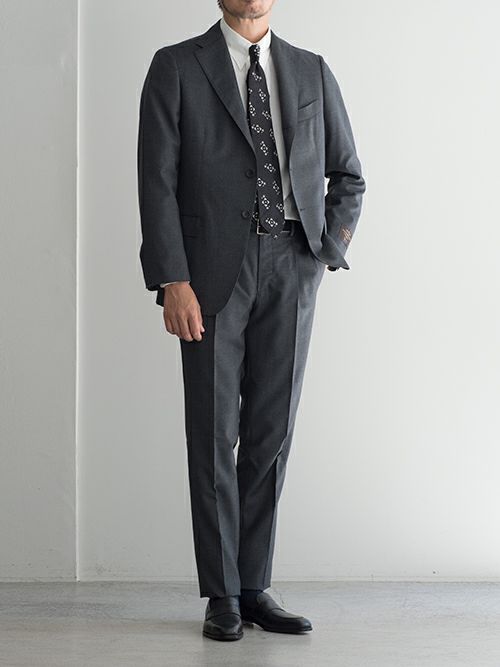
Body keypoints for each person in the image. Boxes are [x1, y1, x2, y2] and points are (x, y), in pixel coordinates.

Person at [137, 0, 365, 642]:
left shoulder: (311, 70)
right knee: (214, 433)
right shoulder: (177, 66)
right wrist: (172, 279)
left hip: (293, 262)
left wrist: (326, 250)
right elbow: (156, 181)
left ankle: (253, 585)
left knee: (271, 432)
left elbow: (348, 175)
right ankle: (221, 594)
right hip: (210, 272)